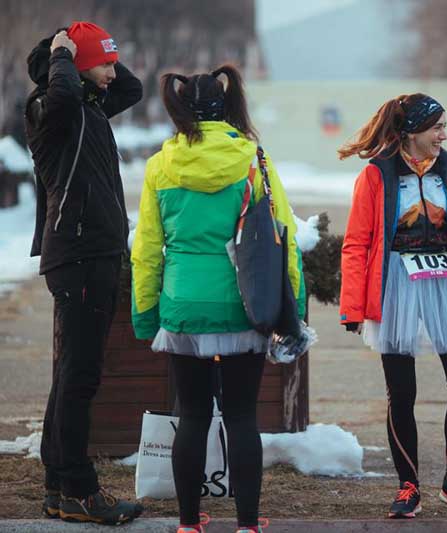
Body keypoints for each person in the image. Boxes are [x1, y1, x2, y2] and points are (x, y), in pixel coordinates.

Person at [131, 65, 303, 533]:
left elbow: (146, 250)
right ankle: (247, 523)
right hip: (242, 306)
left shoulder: (159, 166)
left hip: (184, 307)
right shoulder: (253, 160)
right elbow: (281, 241)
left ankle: (189, 522)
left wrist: (146, 315)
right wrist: (295, 312)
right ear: (228, 107)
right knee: (242, 415)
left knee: (192, 415)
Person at [338, 93, 447, 518]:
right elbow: (356, 242)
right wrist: (353, 306)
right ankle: (408, 485)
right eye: (437, 128)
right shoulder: (377, 174)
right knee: (402, 393)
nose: (444, 136)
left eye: (445, 127)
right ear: (411, 132)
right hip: (395, 285)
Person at [24, 22, 143, 524]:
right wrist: (64, 55)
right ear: (72, 68)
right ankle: (78, 489)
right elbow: (64, 96)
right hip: (78, 254)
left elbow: (132, 89)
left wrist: (92, 50)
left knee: (73, 376)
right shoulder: (53, 111)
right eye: (105, 61)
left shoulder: (88, 108)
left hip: (90, 254)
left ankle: (59, 487)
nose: (114, 72)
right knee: (79, 378)